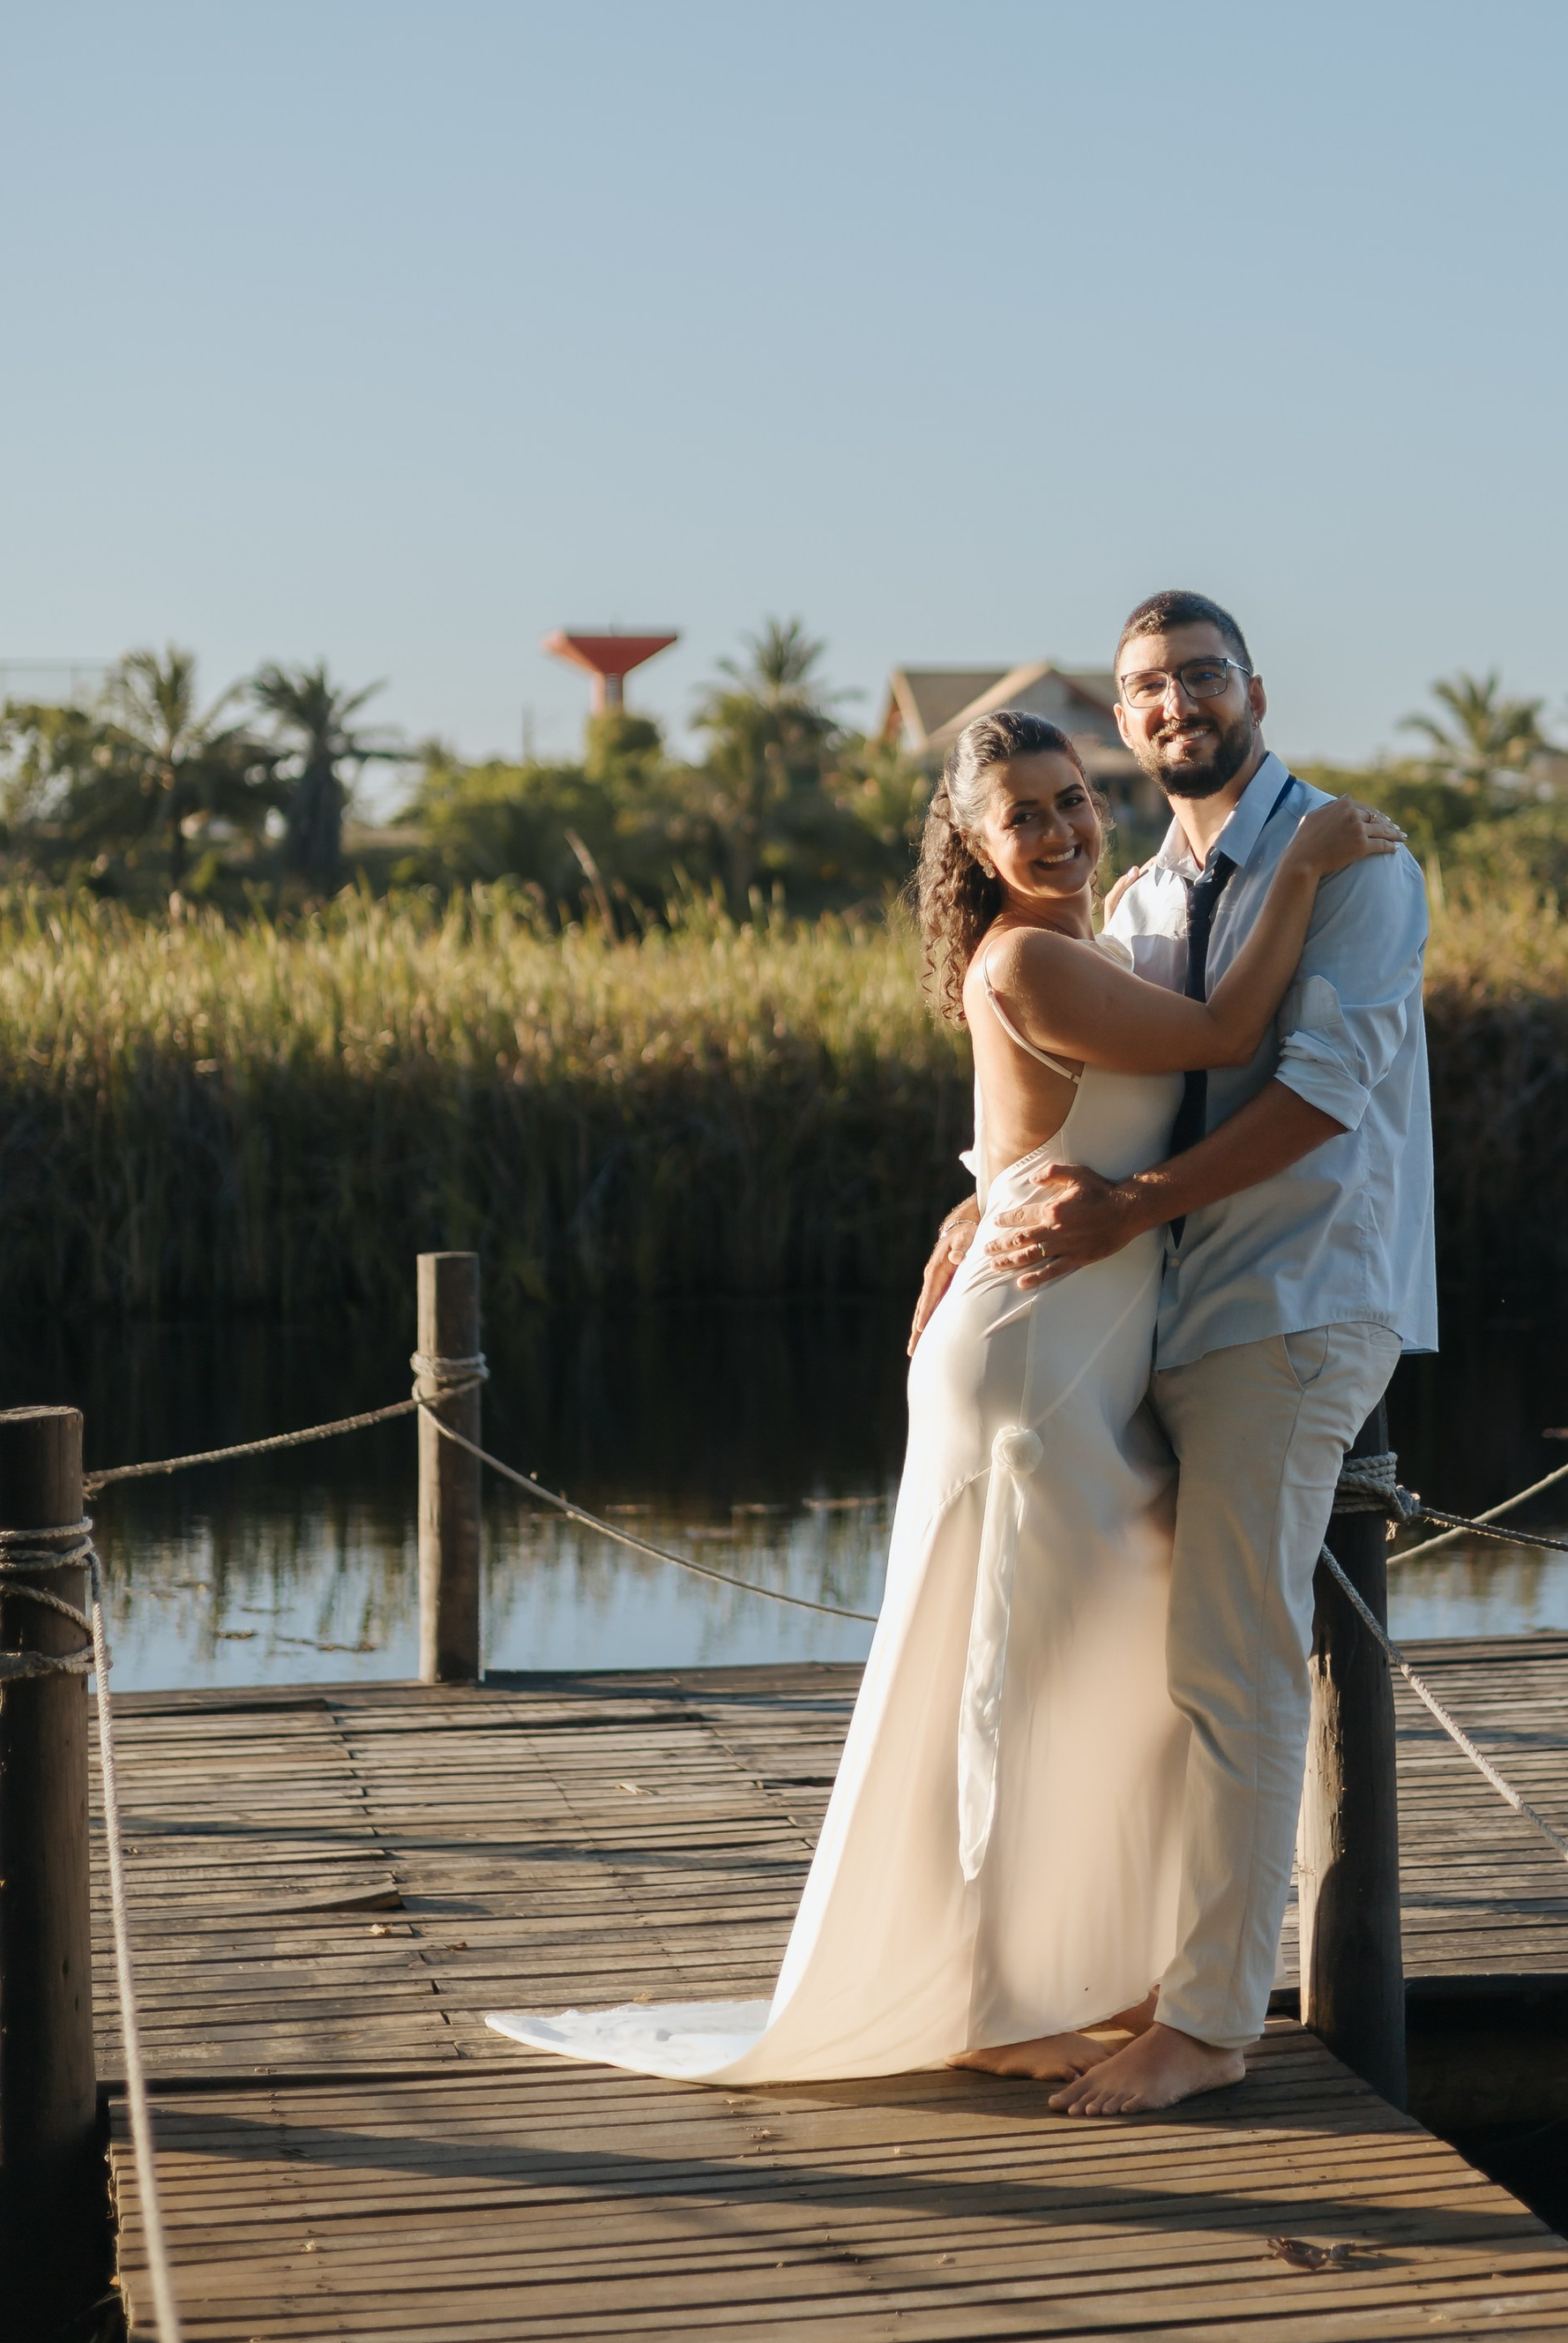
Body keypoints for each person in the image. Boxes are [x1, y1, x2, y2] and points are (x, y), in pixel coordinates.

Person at [486, 705, 1399, 2092]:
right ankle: (989, 1998)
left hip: (1086, 1332)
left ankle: (1068, 1970)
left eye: (1073, 797)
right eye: (1023, 813)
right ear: (973, 846)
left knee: (1068, 1663)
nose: (1061, 826)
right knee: (1003, 1679)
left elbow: (1026, 1136)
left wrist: (975, 1201)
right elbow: (1227, 1026)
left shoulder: (1094, 939)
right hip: (1034, 1353)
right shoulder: (1031, 952)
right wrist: (1311, 868)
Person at [917, 592, 1435, 2116]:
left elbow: (1319, 1092)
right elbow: (1082, 1093)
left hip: (1291, 1306)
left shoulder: (1352, 860)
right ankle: (1128, 1975)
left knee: (1233, 1662)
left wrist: (1130, 1205)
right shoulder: (1143, 898)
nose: (1173, 703)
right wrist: (976, 1208)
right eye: (1147, 685)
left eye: (1201, 675)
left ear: (1253, 690)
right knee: (1145, 1667)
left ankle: (1210, 2023)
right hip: (1146, 1327)